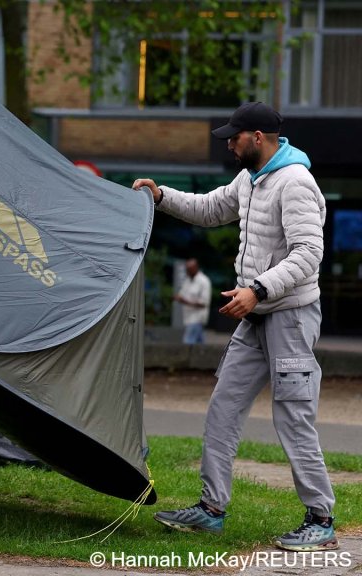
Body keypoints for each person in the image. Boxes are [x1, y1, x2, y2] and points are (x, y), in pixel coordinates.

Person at [133, 101, 336, 552]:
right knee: (222, 409)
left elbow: (308, 255)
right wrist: (161, 195)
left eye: (235, 137)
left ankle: (321, 519)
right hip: (256, 317)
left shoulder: (296, 183)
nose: (228, 143)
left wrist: (258, 290)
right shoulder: (250, 178)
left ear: (258, 138)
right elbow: (210, 209)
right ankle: (211, 511)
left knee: (293, 417)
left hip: (289, 317)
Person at [173, 258, 211, 345]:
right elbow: (181, 294)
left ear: (195, 268)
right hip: (188, 318)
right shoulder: (188, 280)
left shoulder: (204, 281)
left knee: (187, 342)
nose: (187, 272)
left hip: (197, 318)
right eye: (187, 270)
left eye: (189, 270)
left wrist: (185, 301)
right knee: (200, 345)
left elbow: (204, 303)